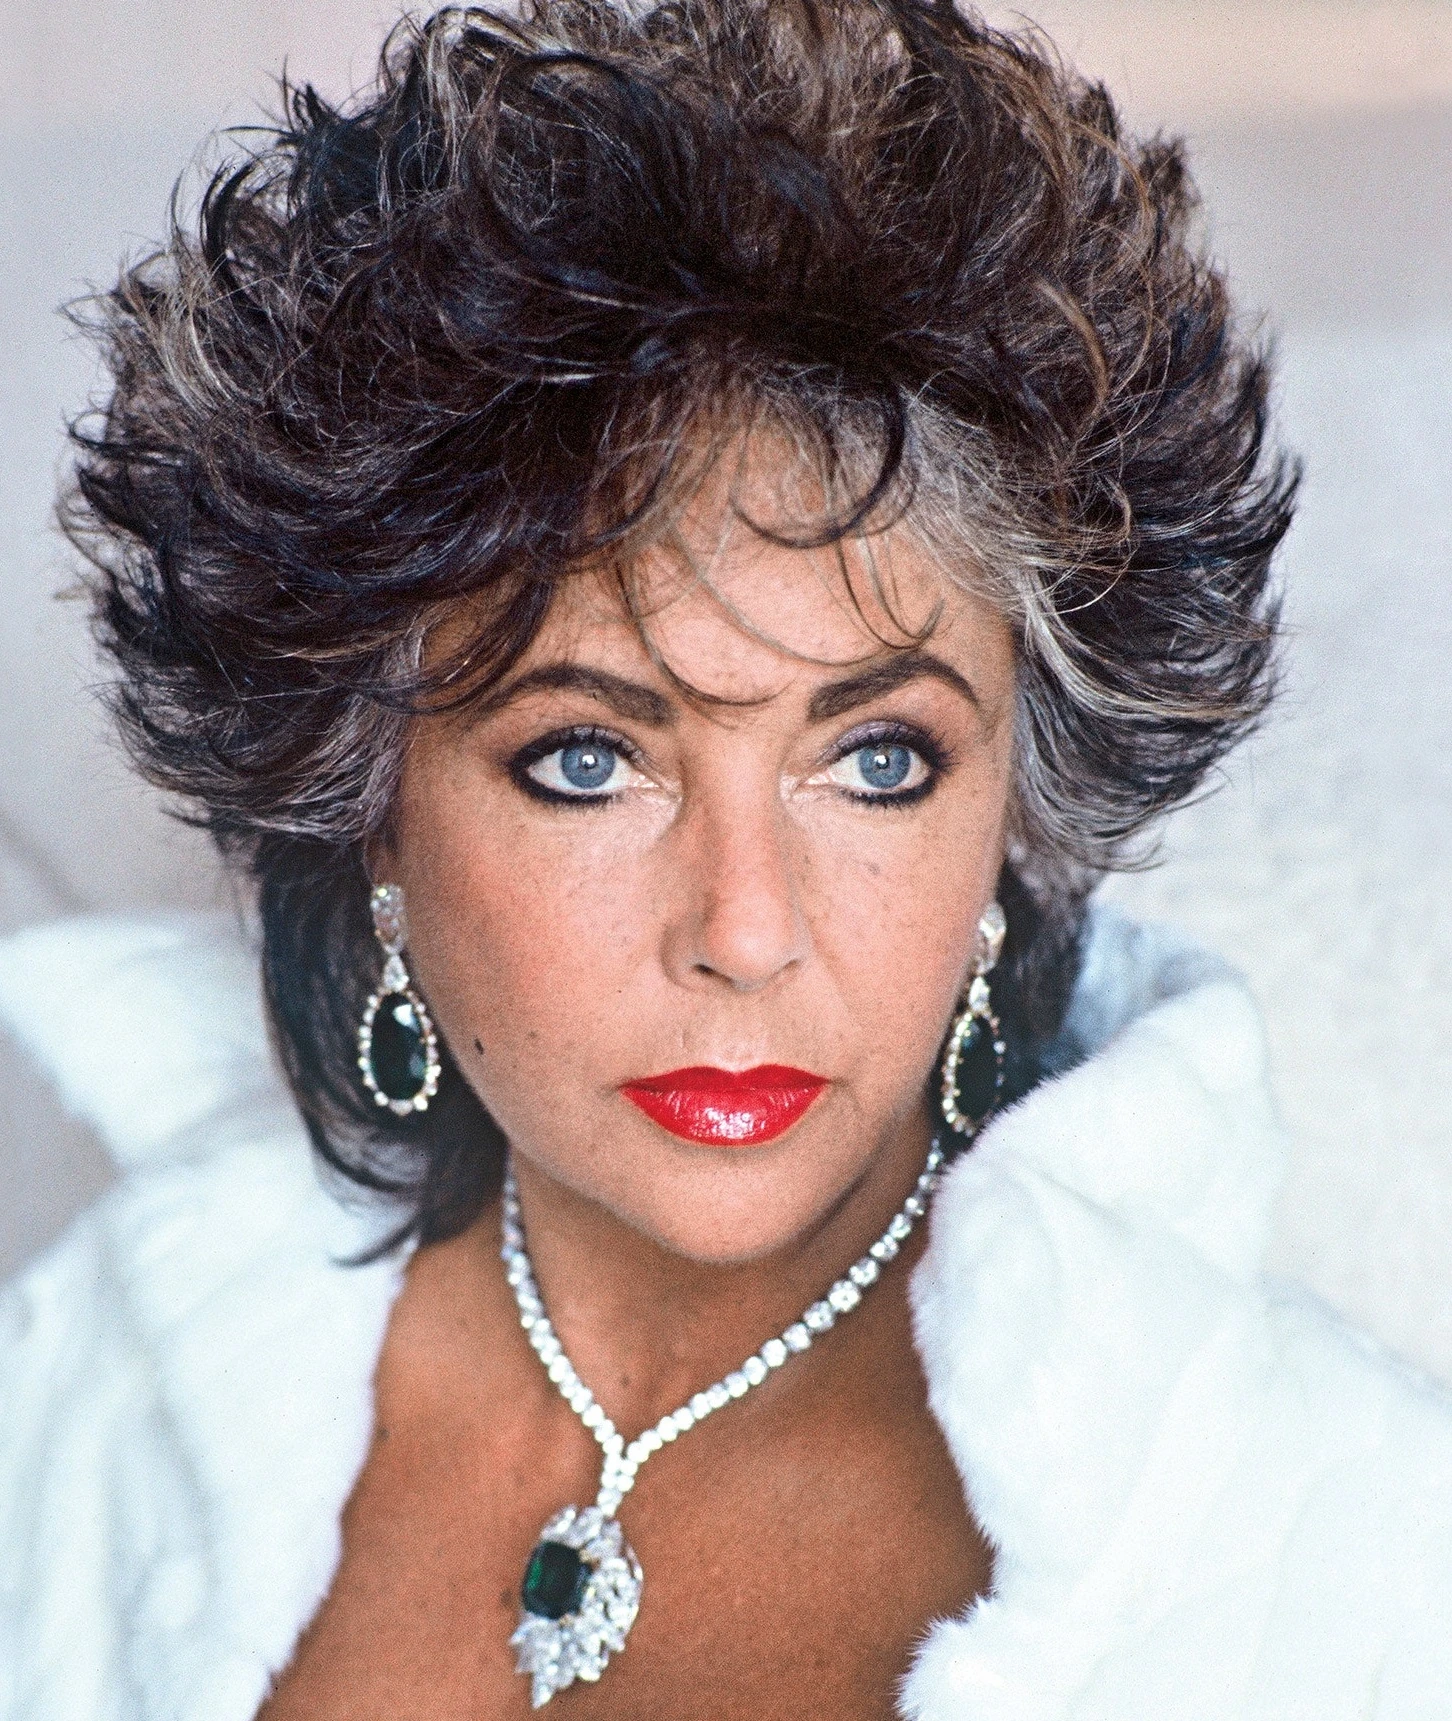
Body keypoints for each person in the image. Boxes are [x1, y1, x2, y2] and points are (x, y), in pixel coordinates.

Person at [4, 1, 1451, 1716]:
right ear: (370, 808)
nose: (747, 932)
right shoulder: (103, 1385)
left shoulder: (1345, 1553)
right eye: (589, 760)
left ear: (1015, 814)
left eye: (880, 760)